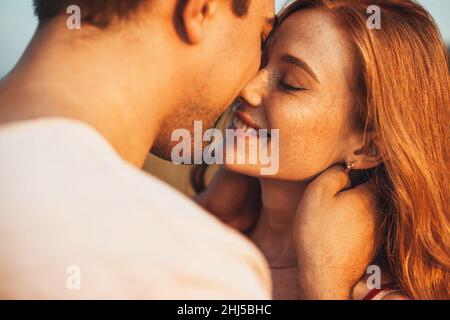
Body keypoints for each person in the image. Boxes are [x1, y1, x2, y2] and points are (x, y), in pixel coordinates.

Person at [0, 0, 378, 299]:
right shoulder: (194, 270)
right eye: (260, 40)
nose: (248, 86)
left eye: (291, 83)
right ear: (200, 9)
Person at [196, 0, 449, 300]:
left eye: (290, 84)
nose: (247, 88)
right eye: (261, 62)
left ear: (368, 146)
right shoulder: (196, 233)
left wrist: (324, 286)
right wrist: (200, 217)